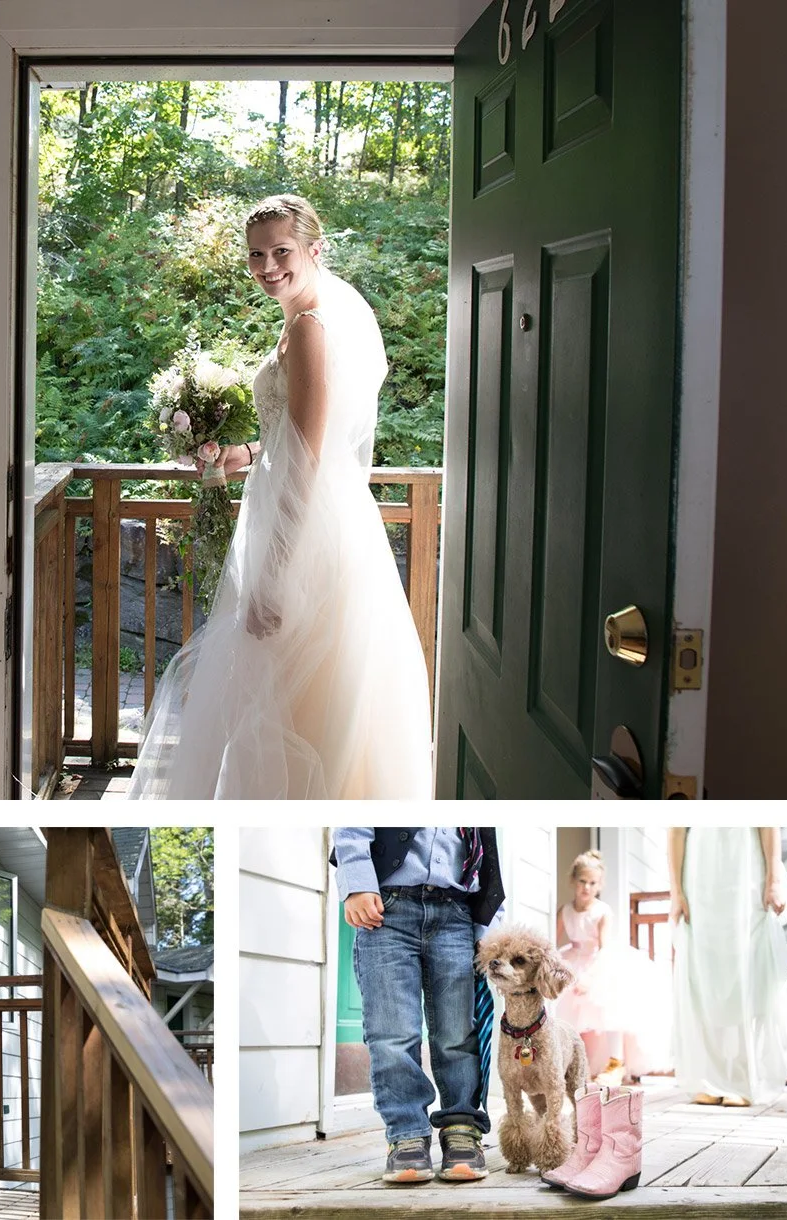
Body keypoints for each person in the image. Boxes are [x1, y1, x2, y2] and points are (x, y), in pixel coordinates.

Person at [127, 194, 432, 799]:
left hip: (308, 536)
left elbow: (307, 464)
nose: (267, 267)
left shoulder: (314, 328)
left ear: (315, 249)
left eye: (281, 252)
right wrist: (237, 456)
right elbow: (291, 441)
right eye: (256, 255)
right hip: (322, 516)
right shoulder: (310, 317)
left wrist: (273, 576)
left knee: (300, 699)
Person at [331, 827, 504, 1185]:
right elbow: (354, 817)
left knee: (458, 1032)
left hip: (457, 912)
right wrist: (357, 881)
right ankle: (407, 1133)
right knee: (392, 1033)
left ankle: (461, 1127)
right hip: (386, 910)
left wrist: (490, 925)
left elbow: (488, 852)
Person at [668, 827, 787, 1107]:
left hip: (745, 863)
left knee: (746, 967)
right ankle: (708, 1079)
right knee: (704, 971)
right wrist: (676, 892)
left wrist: (773, 876)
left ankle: (743, 1079)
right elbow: (676, 830)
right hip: (699, 868)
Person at [552, 849, 670, 1085]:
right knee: (568, 1012)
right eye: (582, 881)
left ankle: (615, 1062)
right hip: (572, 959)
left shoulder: (601, 911)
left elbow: (603, 948)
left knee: (606, 1008)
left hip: (598, 961)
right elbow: (553, 944)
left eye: (592, 883)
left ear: (599, 885)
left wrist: (590, 977)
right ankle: (575, 1063)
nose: (586, 887)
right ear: (573, 881)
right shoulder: (565, 911)